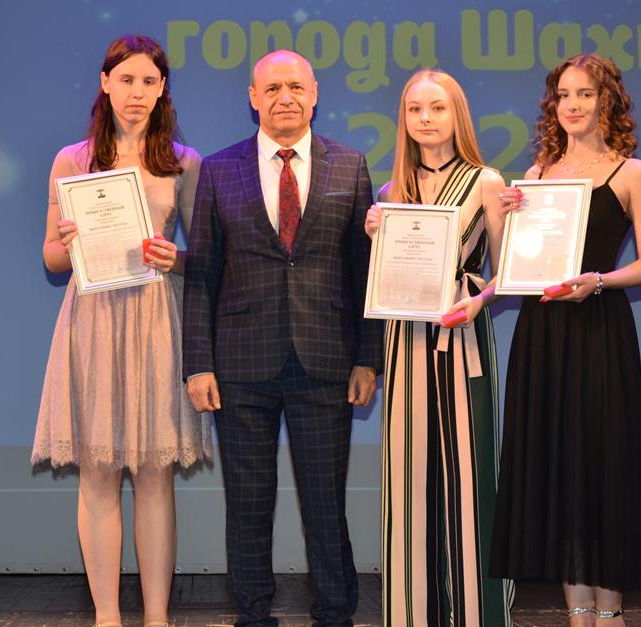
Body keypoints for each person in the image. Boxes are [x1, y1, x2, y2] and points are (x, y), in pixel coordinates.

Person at [182, 49, 384, 627]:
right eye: (271, 89)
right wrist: (198, 364)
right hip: (240, 365)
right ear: (253, 98)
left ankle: (335, 614)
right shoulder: (219, 169)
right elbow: (202, 274)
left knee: (326, 505)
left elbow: (364, 270)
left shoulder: (350, 165)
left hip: (327, 361)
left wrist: (368, 358)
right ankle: (251, 615)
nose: (284, 97)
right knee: (247, 506)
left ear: (314, 94)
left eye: (295, 86)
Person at [31, 34, 211, 627]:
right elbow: (52, 258)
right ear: (105, 83)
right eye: (126, 79)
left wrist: (173, 258)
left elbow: (203, 258)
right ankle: (107, 616)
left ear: (163, 90)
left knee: (155, 476)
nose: (137, 92)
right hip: (93, 320)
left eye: (149, 82)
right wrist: (68, 242)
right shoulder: (72, 160)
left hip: (156, 321)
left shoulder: (184, 162)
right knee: (98, 472)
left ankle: (157, 616)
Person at [489, 53, 641, 626]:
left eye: (585, 94)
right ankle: (578, 611)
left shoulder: (631, 173)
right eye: (563, 95)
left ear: (606, 100)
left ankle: (610, 614)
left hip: (598, 329)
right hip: (543, 334)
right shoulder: (537, 175)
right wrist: (506, 218)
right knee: (559, 465)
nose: (572, 105)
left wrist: (599, 281)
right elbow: (513, 267)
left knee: (601, 465)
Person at [364, 69, 519, 627]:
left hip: (464, 337)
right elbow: (383, 279)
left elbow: (508, 271)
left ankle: (480, 614)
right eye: (414, 109)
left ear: (458, 114)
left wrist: (480, 301)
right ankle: (412, 615)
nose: (425, 118)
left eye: (437, 108)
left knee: (471, 480)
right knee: (409, 480)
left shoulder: (486, 182)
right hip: (405, 342)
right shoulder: (391, 193)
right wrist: (376, 234)